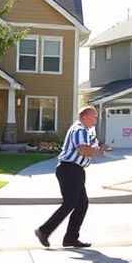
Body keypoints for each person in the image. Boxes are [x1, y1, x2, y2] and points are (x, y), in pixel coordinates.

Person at [35, 106, 105, 248]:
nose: (96, 120)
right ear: (85, 117)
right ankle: (43, 231)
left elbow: (88, 148)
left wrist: (96, 149)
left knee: (82, 204)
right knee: (70, 203)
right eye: (94, 116)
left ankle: (70, 238)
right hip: (69, 169)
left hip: (75, 170)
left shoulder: (85, 131)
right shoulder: (79, 129)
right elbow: (83, 150)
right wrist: (97, 151)